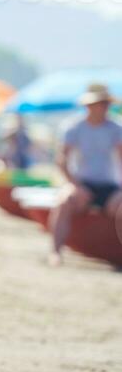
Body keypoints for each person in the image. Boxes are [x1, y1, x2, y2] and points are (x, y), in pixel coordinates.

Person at [50, 83, 122, 264]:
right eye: (102, 103)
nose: (106, 107)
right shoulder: (74, 127)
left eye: (107, 103)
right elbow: (61, 160)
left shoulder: (115, 129)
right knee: (64, 201)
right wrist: (76, 185)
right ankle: (55, 251)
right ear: (90, 106)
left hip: (110, 185)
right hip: (82, 182)